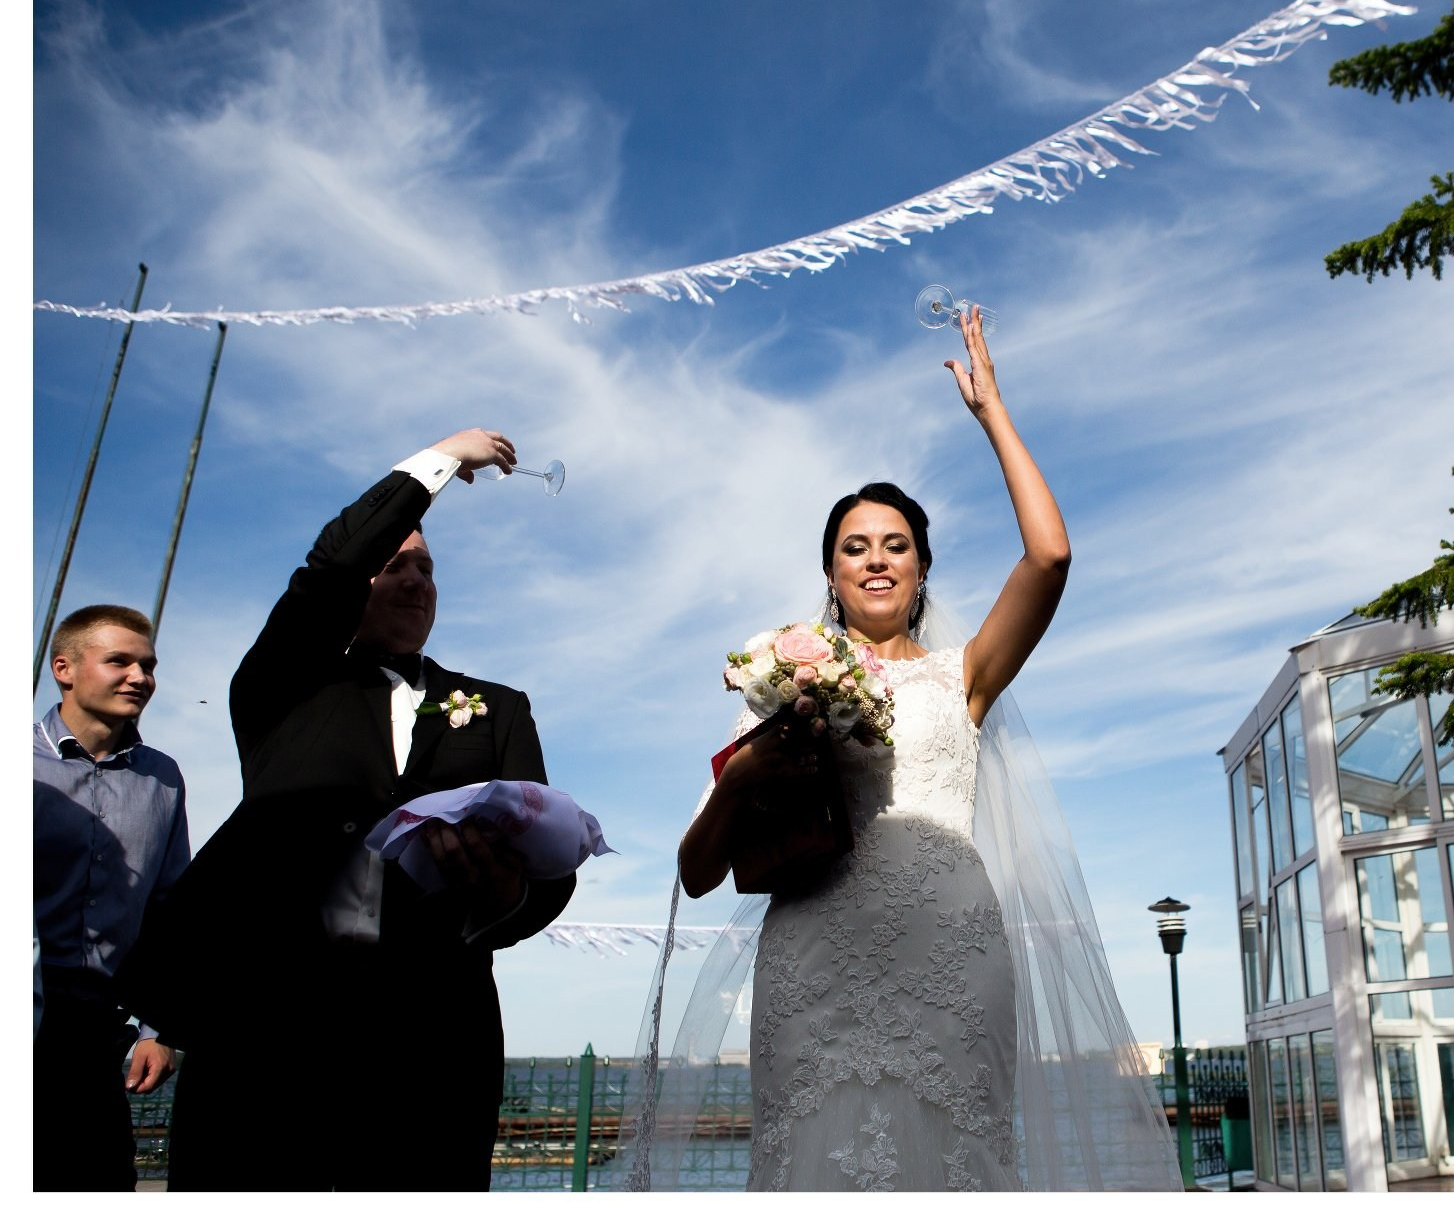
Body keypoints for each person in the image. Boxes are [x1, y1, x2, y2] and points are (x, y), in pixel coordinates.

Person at [629, 308, 1181, 1192]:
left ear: (922, 568)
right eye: (856, 547)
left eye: (897, 546)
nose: (877, 560)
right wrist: (748, 782)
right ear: (832, 573)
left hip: (949, 958)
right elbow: (696, 869)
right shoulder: (777, 680)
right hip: (813, 961)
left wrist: (993, 413)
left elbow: (1051, 555)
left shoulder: (966, 676)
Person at [118, 429, 576, 1191]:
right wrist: (439, 460)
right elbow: (330, 566)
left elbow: (546, 851)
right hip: (265, 1022)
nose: (415, 580)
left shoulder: (498, 708)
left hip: (432, 1033)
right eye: (393, 565)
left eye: (427, 568)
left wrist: (508, 899)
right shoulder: (283, 685)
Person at [33, 605, 190, 1190]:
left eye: (147, 665)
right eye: (119, 661)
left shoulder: (163, 777)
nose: (140, 677)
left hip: (100, 1036)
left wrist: (160, 1029)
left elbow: (171, 908)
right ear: (64, 668)